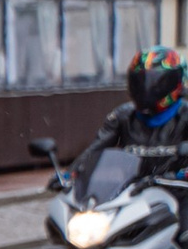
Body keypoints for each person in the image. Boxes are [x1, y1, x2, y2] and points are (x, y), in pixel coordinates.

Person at [75, 45, 188, 173]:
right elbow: (94, 151)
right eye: (140, 81)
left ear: (178, 83)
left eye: (156, 83)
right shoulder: (123, 115)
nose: (146, 88)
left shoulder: (184, 115)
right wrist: (70, 174)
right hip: (132, 189)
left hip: (175, 189)